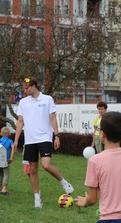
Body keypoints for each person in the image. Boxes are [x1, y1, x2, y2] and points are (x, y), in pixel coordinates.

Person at [13, 77, 74, 208]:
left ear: (34, 86)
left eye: (27, 88)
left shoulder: (47, 99)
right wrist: (16, 140)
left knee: (46, 165)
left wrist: (56, 136)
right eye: (24, 88)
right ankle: (37, 198)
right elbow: (20, 122)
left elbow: (53, 118)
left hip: (45, 138)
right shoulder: (23, 102)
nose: (25, 90)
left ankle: (64, 182)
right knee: (33, 170)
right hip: (30, 140)